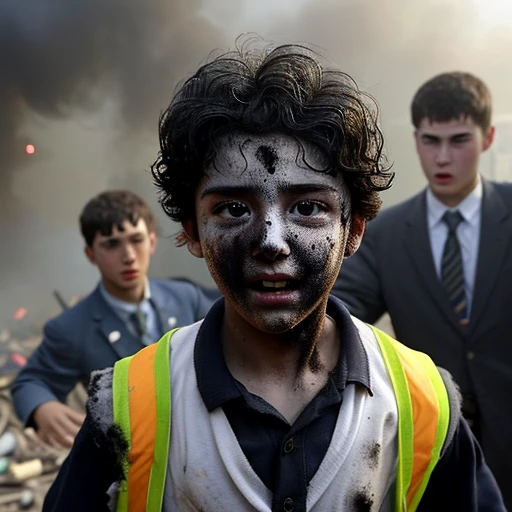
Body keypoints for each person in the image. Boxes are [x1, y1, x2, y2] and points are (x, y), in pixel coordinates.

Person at [43, 43, 504, 511]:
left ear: (354, 228)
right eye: (233, 208)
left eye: (307, 207)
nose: (271, 241)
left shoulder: (423, 403)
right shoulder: (125, 408)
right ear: (192, 231)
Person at [332, 71, 512, 508]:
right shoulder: (385, 233)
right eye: (431, 140)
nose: (443, 157)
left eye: (459, 140)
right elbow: (340, 309)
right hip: (435, 448)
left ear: (487, 137)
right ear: (415, 139)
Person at [11, 189, 218, 449]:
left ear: (152, 242)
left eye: (136, 239)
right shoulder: (72, 327)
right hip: (126, 457)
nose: (129, 256)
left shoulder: (186, 297)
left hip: (199, 443)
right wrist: (42, 407)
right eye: (111, 244)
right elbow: (29, 383)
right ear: (90, 254)